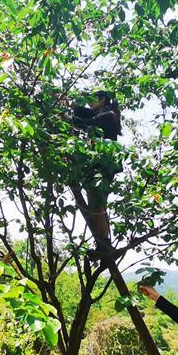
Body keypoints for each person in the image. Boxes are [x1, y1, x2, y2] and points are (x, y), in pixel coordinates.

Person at [70, 91, 122, 244]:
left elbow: (87, 122)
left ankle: (104, 243)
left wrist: (68, 118)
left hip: (105, 164)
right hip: (97, 164)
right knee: (95, 205)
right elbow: (83, 112)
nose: (89, 103)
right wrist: (72, 104)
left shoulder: (108, 115)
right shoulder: (102, 113)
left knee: (98, 205)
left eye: (92, 100)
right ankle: (102, 242)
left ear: (102, 100)